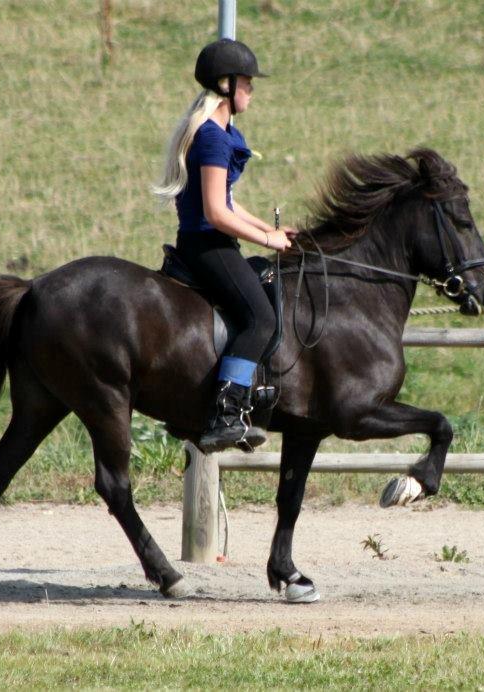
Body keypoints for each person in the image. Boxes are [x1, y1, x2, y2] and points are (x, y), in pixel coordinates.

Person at [153, 38, 296, 452]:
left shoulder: (224, 131)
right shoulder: (213, 138)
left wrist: (277, 231)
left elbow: (230, 201)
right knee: (261, 320)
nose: (252, 89)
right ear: (227, 83)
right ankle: (226, 413)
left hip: (214, 241)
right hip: (207, 245)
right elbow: (216, 213)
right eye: (247, 82)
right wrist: (265, 237)